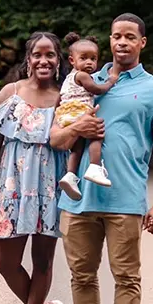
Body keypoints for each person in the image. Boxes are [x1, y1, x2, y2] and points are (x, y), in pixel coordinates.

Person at [50, 13, 153, 304]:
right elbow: (56, 138)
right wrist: (77, 128)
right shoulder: (82, 81)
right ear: (109, 40)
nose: (122, 42)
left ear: (142, 43)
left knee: (127, 279)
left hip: (125, 200)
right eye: (116, 36)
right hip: (79, 200)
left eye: (130, 37)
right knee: (81, 278)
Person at [0, 31, 68, 304]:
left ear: (58, 61)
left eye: (50, 54)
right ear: (28, 59)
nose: (44, 60)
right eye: (37, 54)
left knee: (43, 262)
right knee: (6, 264)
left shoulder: (64, 97)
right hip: (11, 188)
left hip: (50, 188)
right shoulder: (10, 93)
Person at [57, 32, 118, 200]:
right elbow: (96, 89)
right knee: (95, 134)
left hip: (66, 115)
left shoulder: (67, 79)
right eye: (83, 58)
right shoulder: (82, 75)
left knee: (77, 146)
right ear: (72, 61)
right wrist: (110, 82)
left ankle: (70, 175)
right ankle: (95, 166)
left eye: (93, 58)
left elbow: (59, 98)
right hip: (79, 112)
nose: (89, 62)